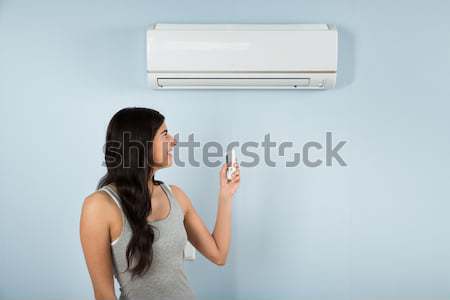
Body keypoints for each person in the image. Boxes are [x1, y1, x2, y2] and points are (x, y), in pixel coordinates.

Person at [80, 107, 240, 300]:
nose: (173, 141)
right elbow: (104, 294)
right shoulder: (99, 206)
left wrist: (226, 195)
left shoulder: (176, 195)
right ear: (141, 143)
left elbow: (218, 254)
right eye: (164, 134)